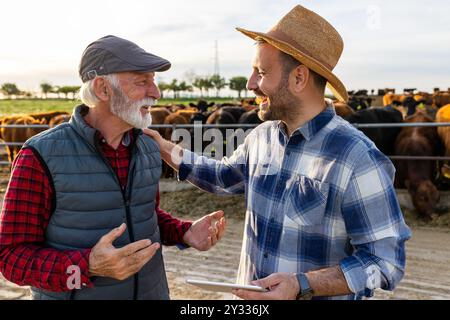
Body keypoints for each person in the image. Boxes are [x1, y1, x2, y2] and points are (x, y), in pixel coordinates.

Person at [144, 6, 411, 300]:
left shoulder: (356, 158)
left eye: (261, 72)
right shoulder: (262, 138)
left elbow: (385, 262)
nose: (250, 84)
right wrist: (163, 147)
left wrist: (302, 284)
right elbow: (223, 176)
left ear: (299, 78)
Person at [0, 35, 226, 300]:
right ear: (103, 89)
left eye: (154, 82)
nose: (156, 93)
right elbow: (11, 257)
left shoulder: (147, 148)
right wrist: (87, 266)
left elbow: (143, 215)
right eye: (142, 82)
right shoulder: (40, 156)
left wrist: (184, 232)